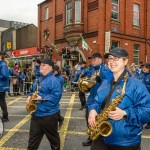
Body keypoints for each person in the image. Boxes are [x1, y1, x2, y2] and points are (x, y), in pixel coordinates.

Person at [88, 47, 150, 150]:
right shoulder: (105, 82)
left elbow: (147, 111)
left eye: (116, 58)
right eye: (110, 58)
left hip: (126, 142)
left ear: (125, 61)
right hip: (101, 136)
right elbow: (96, 101)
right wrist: (93, 110)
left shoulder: (137, 85)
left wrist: (125, 113)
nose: (111, 62)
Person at [26, 58, 62, 150]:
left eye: (43, 65)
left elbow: (56, 97)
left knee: (54, 141)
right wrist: (29, 97)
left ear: (50, 68)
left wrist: (42, 98)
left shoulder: (54, 80)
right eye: (40, 65)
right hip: (36, 114)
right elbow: (32, 91)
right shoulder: (39, 78)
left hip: (49, 115)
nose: (40, 66)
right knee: (32, 142)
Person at [82, 52, 113, 146]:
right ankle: (91, 136)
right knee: (88, 118)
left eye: (94, 60)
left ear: (100, 59)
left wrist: (101, 80)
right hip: (91, 98)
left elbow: (110, 83)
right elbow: (90, 83)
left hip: (100, 100)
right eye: (91, 60)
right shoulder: (92, 70)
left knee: (99, 120)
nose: (92, 61)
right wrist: (86, 84)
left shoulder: (105, 69)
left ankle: (97, 138)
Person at [139, 63, 150, 129]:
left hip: (149, 95)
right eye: (143, 68)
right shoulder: (141, 74)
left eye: (145, 67)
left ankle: (149, 123)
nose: (144, 69)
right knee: (141, 109)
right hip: (141, 95)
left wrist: (144, 86)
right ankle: (141, 123)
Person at [0, 52, 10, 122]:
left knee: (2, 102)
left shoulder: (3, 65)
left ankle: (5, 117)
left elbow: (4, 76)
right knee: (2, 101)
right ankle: (5, 116)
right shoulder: (2, 64)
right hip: (1, 85)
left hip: (1, 86)